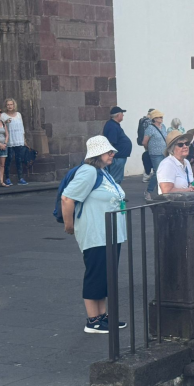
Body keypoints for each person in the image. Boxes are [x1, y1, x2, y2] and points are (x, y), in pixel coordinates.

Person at [60, 136, 127, 334]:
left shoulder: (102, 172)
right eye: (109, 152)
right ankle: (93, 320)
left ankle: (102, 316)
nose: (112, 154)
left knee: (106, 275)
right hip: (96, 232)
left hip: (109, 232)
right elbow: (67, 198)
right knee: (96, 274)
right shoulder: (88, 171)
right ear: (98, 154)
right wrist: (69, 225)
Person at [0, 98, 29, 185]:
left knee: (19, 159)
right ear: (6, 106)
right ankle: (7, 178)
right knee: (8, 159)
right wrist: (6, 122)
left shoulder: (18, 115)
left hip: (18, 139)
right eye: (8, 105)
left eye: (11, 104)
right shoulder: (3, 115)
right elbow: (0, 127)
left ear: (14, 105)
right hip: (9, 140)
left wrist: (24, 139)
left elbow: (22, 127)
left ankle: (20, 178)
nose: (9, 106)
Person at [102, 106, 132, 184]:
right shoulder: (112, 126)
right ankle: (114, 195)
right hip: (117, 157)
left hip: (119, 156)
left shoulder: (114, 125)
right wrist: (110, 156)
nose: (123, 115)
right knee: (116, 178)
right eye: (122, 114)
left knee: (117, 177)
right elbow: (111, 142)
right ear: (118, 115)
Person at [142, 109, 168, 200]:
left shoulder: (163, 127)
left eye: (162, 117)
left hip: (165, 152)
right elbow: (144, 142)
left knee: (164, 173)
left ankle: (161, 191)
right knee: (157, 173)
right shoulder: (150, 128)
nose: (162, 118)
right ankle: (148, 191)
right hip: (155, 154)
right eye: (160, 117)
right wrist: (149, 149)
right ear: (155, 118)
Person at [0, 106, 9, 187]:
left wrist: (5, 143)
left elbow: (7, 134)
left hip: (3, 146)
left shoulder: (3, 123)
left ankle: (1, 181)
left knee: (2, 165)